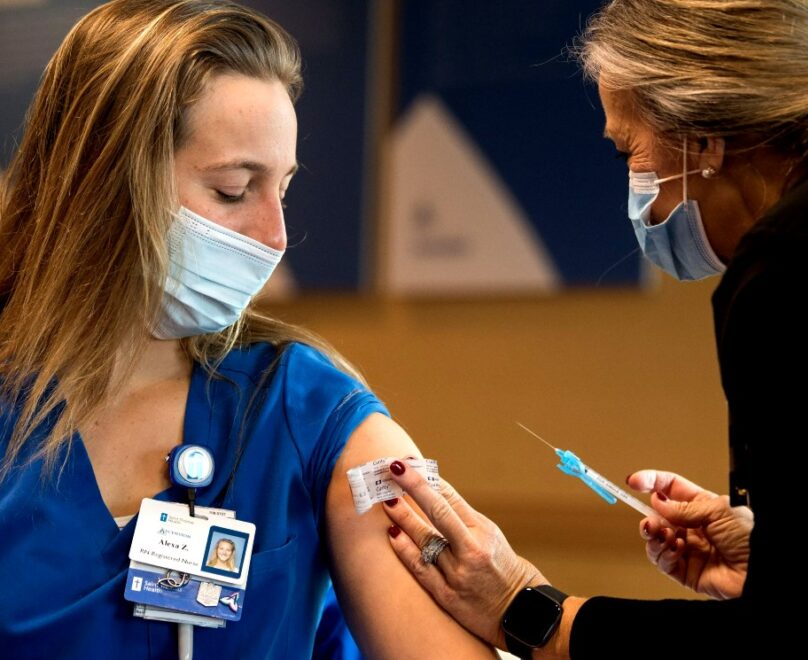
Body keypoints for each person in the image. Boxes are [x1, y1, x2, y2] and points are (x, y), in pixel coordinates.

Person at [382, 1, 808, 658]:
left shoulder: (798, 259)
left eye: (629, 150)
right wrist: (792, 562)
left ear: (702, 139)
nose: (638, 188)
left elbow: (790, 643)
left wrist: (528, 610)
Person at [0, 2, 498, 658]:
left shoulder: (310, 411)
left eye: (283, 190)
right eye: (234, 190)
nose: (276, 237)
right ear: (104, 183)